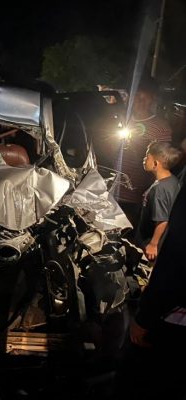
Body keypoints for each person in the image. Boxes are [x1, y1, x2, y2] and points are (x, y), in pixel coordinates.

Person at [116, 181, 186, 400]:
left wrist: (144, 318)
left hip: (173, 316)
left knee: (145, 376)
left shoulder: (167, 188)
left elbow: (176, 256)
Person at [115, 78, 172, 224]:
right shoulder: (120, 119)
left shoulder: (161, 128)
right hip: (109, 190)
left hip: (135, 197)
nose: (140, 101)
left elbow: (161, 166)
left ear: (153, 99)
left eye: (144, 98)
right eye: (136, 96)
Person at [134, 142, 182, 261]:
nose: (144, 159)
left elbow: (162, 220)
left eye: (147, 157)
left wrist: (153, 244)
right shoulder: (173, 181)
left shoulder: (160, 189)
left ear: (156, 163)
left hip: (149, 245)